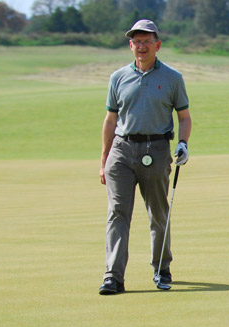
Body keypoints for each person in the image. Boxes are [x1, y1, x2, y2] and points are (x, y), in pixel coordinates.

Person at [98, 19, 192, 295]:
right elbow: (110, 120)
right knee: (117, 213)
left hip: (157, 149)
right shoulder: (118, 78)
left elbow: (184, 117)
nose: (141, 46)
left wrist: (183, 143)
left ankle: (162, 268)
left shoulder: (173, 78)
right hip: (122, 150)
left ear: (157, 46)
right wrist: (104, 160)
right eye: (136, 42)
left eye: (146, 42)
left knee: (158, 213)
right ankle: (113, 277)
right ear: (130, 46)